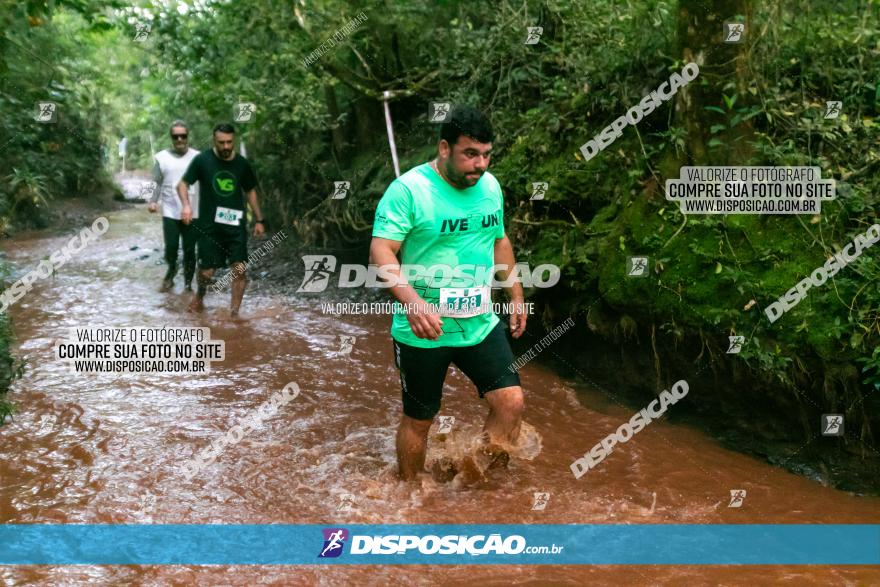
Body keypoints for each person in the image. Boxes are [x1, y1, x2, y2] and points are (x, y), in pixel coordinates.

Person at [369, 105, 528, 481]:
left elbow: (499, 241)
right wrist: (413, 303)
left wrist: (516, 294)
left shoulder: (490, 187)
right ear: (444, 148)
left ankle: (478, 480)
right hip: (425, 328)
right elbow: (381, 251)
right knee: (420, 419)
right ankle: (410, 491)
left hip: (479, 323)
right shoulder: (408, 191)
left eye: (487, 154)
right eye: (470, 154)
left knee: (511, 402)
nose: (481, 165)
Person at [178, 123, 265, 316]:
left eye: (229, 142)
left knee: (240, 270)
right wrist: (186, 205)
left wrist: (259, 219)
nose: (226, 146)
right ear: (214, 140)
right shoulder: (202, 161)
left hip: (235, 227)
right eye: (221, 143)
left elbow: (250, 191)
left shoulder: (242, 164)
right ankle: (200, 296)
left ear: (234, 140)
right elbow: (183, 184)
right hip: (209, 227)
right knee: (207, 272)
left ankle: (234, 314)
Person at [148, 120, 200, 292]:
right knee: (170, 248)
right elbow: (157, 182)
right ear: (171, 137)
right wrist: (153, 200)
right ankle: (172, 268)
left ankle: (187, 285)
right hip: (170, 210)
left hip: (193, 210)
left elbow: (206, 181)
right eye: (175, 136)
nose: (179, 139)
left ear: (187, 137)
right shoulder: (162, 158)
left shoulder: (197, 157)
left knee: (189, 249)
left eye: (183, 136)